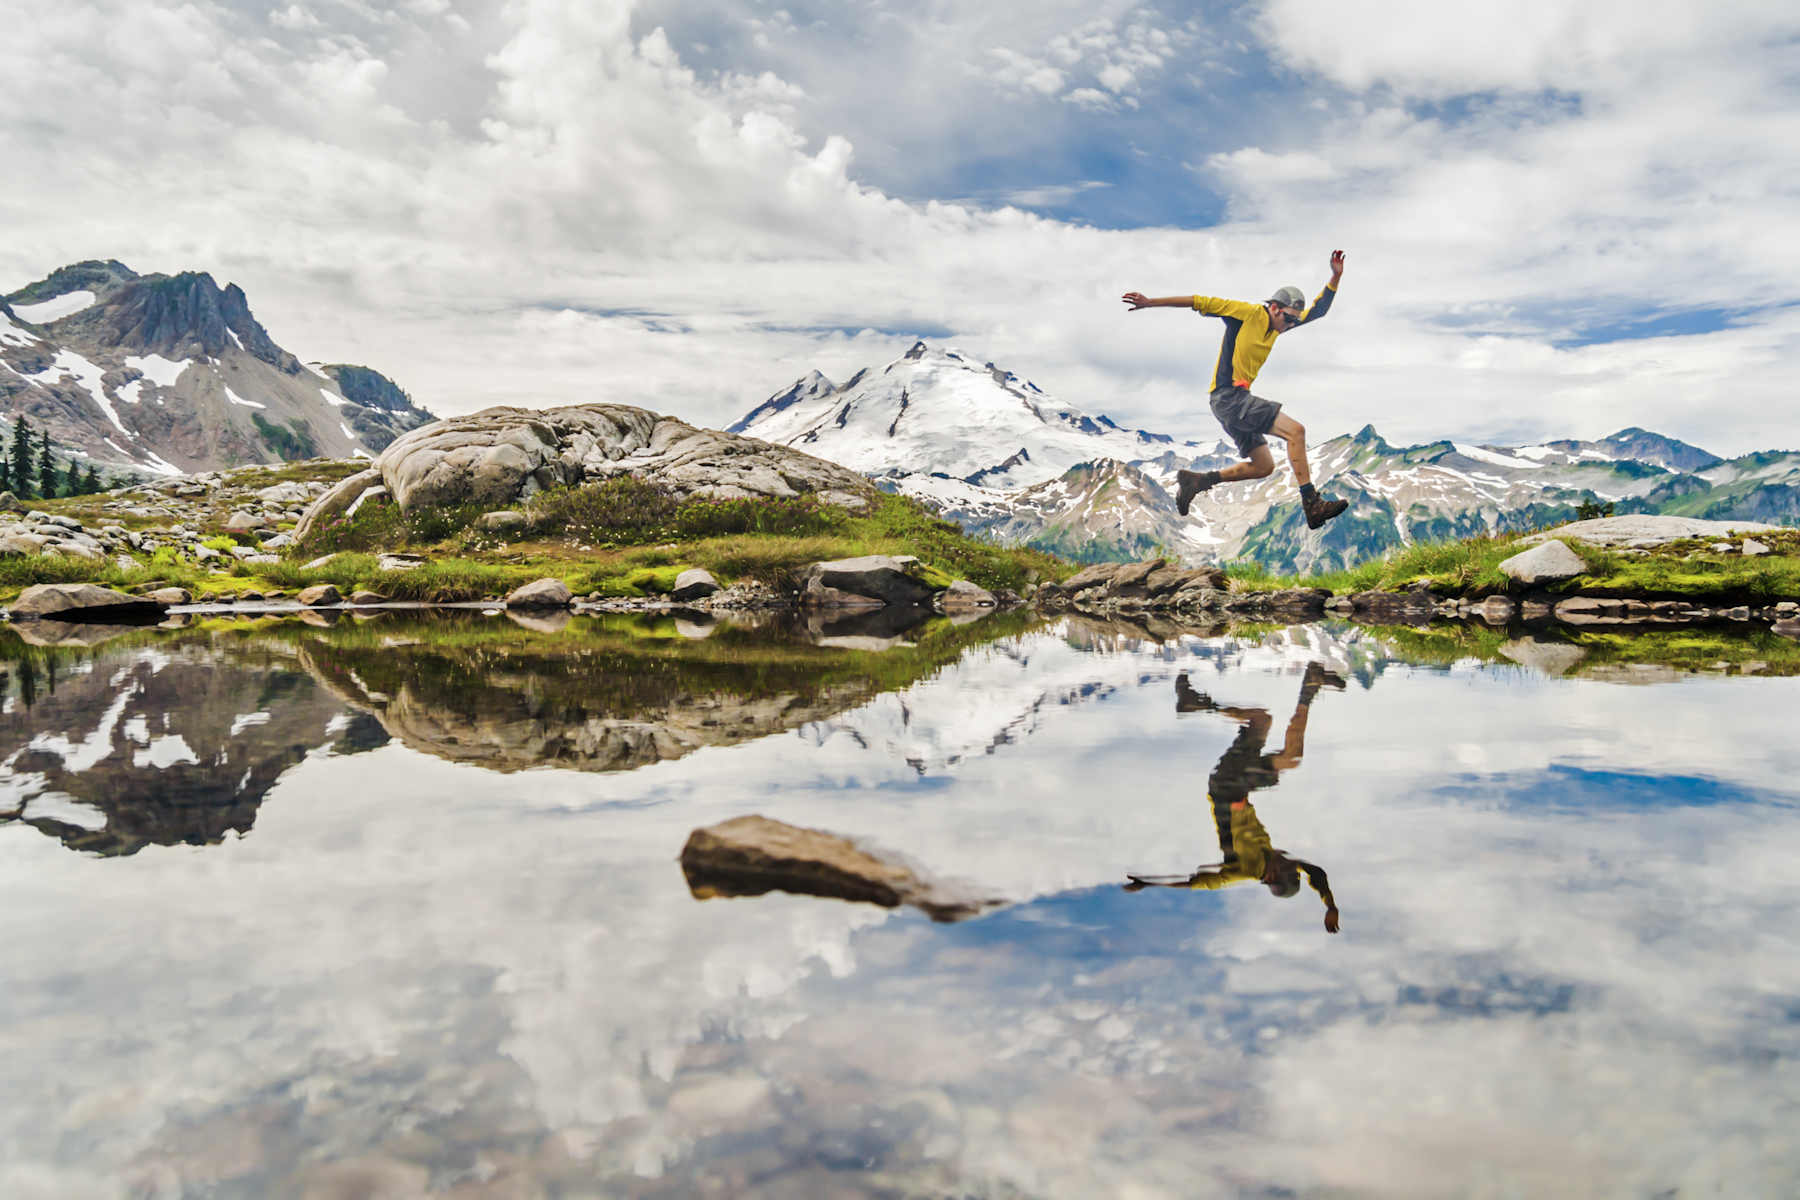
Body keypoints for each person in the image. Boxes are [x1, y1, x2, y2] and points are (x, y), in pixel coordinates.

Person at [1122, 251, 1350, 528]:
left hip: (1233, 402)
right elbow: (1199, 301)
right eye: (1289, 318)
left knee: (1263, 467)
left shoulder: (1278, 327)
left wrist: (1335, 277)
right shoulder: (1249, 313)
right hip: (1230, 398)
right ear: (1275, 307)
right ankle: (1312, 504)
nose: (1290, 325)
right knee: (1296, 432)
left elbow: (1319, 311)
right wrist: (1150, 302)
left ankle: (1198, 481)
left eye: (1294, 321)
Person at [1125, 663, 1343, 933]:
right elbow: (1316, 873)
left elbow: (1197, 883)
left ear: (1274, 875)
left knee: (1290, 757)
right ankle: (1197, 703)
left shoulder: (1244, 870)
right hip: (1236, 785)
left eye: (1287, 869)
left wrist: (1149, 884)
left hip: (1228, 788)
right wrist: (1329, 904)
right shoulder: (1281, 865)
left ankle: (1310, 684)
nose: (1289, 861)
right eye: (1292, 868)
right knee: (1262, 721)